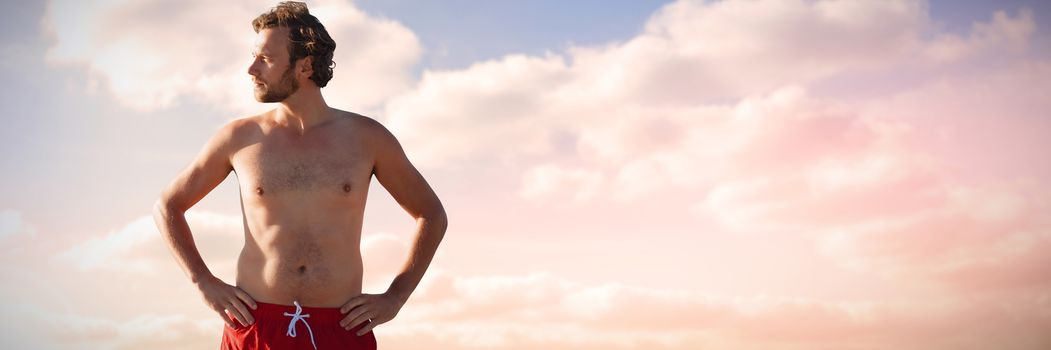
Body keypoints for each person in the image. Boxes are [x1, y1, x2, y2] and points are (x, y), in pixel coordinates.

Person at [151, 2, 448, 349]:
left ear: (305, 65)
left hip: (340, 327)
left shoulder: (368, 138)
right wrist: (201, 280)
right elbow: (167, 206)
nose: (251, 68)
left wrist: (396, 297)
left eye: (266, 59)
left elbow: (431, 214)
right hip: (256, 326)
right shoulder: (238, 138)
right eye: (254, 56)